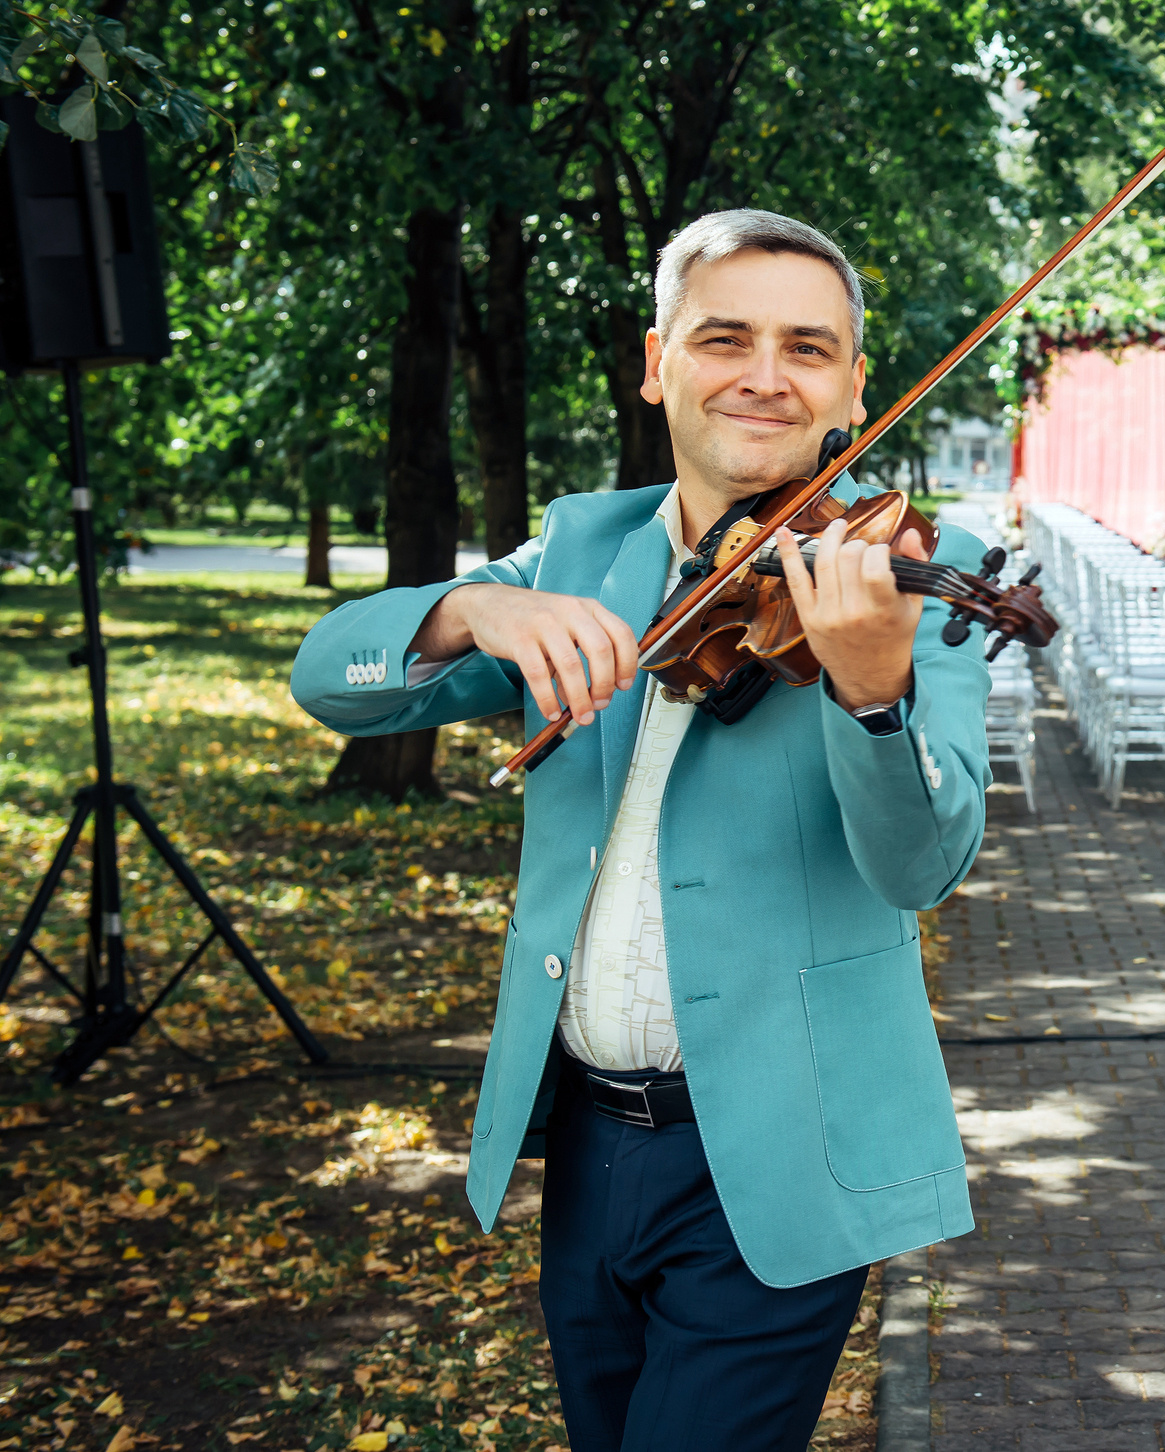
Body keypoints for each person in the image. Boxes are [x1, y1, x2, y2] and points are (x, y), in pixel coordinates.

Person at [292, 211, 988, 1452]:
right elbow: (329, 679)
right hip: (589, 1152)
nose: (765, 376)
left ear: (851, 384)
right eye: (725, 338)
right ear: (658, 360)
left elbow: (921, 863)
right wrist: (468, 610)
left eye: (807, 347)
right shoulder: (579, 547)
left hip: (778, 1153)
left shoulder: (907, 572)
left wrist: (871, 696)